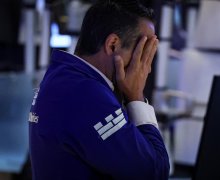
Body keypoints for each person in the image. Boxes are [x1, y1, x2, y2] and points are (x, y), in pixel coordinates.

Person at [28, 1, 170, 179]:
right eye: (143, 51)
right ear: (113, 45)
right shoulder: (87, 95)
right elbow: (154, 172)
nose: (145, 65)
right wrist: (136, 97)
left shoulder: (62, 77)